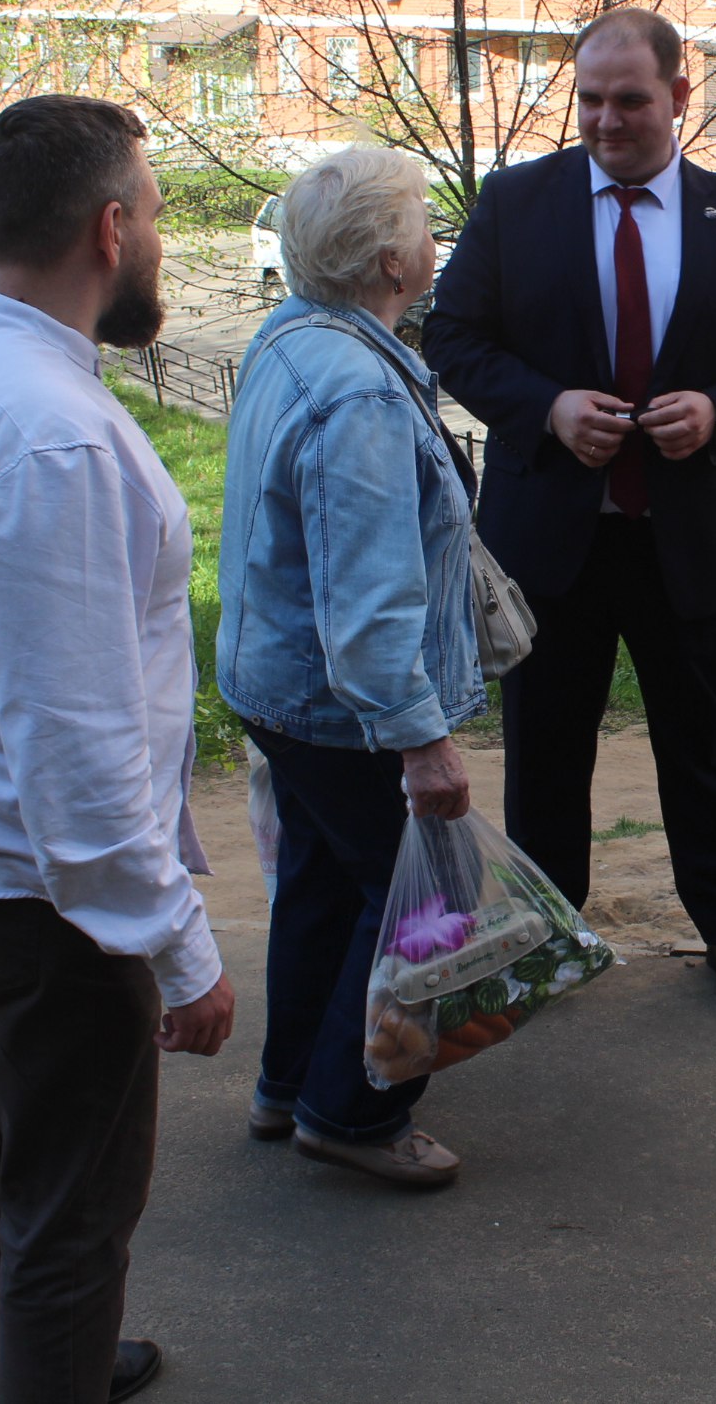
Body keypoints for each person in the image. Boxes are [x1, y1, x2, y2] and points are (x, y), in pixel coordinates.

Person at [0, 94, 234, 1404]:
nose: (163, 244)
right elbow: (76, 747)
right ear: (110, 226)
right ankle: (44, 1363)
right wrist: (178, 945)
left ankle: (9, 1371)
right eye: (160, 216)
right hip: (38, 897)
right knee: (70, 1208)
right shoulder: (53, 435)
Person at [421, 8, 716, 1018]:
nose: (605, 120)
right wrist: (546, 408)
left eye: (630, 99)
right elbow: (453, 337)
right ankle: (548, 936)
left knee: (702, 749)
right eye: (590, 99)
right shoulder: (516, 204)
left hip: (683, 541)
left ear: (680, 97)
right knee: (547, 756)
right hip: (549, 545)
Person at [215, 147, 483, 1187]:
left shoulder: (291, 339)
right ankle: (356, 1110)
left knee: (326, 886)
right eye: (423, 222)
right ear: (388, 259)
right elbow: (370, 607)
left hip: (282, 691)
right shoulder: (354, 392)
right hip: (346, 710)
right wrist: (424, 744)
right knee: (430, 896)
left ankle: (289, 1085)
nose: (433, 240)